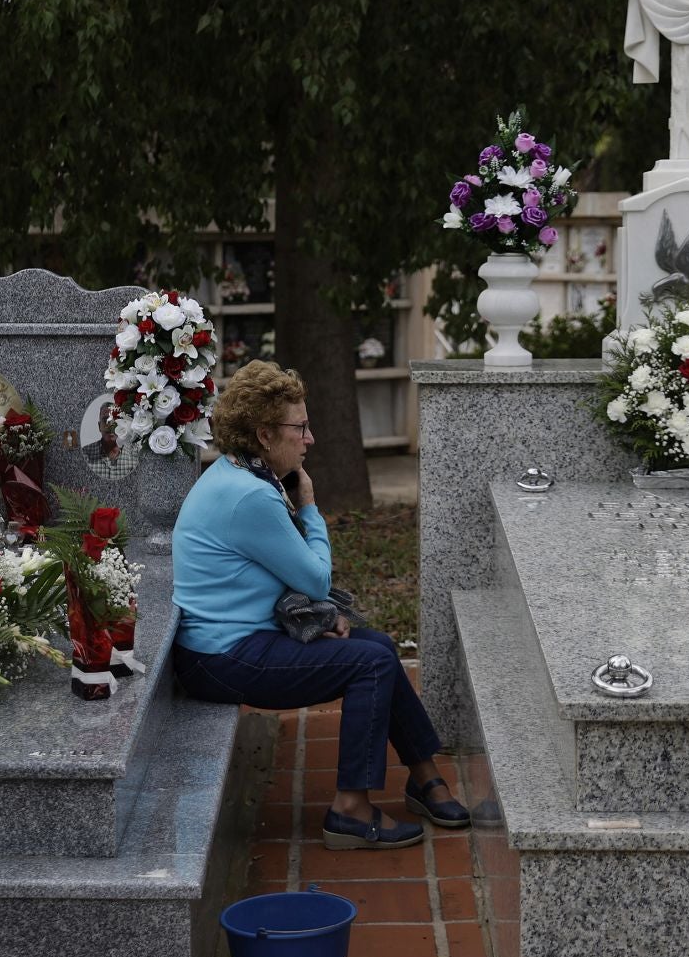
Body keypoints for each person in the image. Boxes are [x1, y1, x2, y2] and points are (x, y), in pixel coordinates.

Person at [170, 361, 467, 849]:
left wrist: (320, 618)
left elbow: (284, 580)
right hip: (221, 658)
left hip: (234, 643)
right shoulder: (250, 496)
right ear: (265, 434)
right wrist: (309, 505)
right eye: (300, 428)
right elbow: (316, 577)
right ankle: (350, 810)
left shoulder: (241, 474)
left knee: (381, 648)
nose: (309, 439)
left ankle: (424, 776)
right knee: (369, 663)